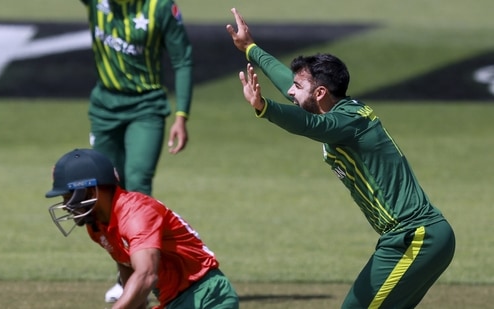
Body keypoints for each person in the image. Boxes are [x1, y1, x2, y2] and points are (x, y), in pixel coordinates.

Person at [226, 8, 456, 309]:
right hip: (410, 237)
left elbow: (311, 125)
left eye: (299, 87)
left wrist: (264, 107)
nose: (290, 92)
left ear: (320, 92)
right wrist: (251, 48)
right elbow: (291, 86)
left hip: (414, 238)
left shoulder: (346, 123)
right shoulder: (340, 108)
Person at [78, 0, 194, 302]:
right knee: (105, 191)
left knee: (138, 186)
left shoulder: (160, 8)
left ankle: (148, 274)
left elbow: (182, 59)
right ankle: (126, 275)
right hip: (105, 108)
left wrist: (182, 115)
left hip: (146, 106)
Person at [45, 148, 239, 309]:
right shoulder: (97, 226)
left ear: (89, 189)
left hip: (208, 297)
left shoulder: (136, 213)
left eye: (68, 196)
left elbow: (146, 275)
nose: (66, 205)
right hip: (174, 301)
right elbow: (126, 265)